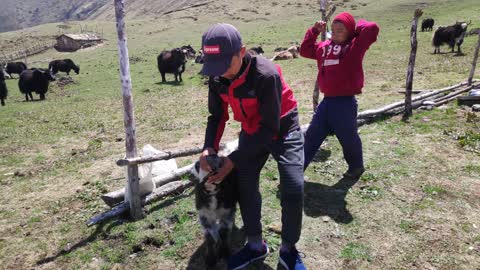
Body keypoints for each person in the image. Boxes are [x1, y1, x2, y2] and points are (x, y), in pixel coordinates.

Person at [199, 23, 307, 270]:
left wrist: (233, 159)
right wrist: (209, 148)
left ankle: (289, 250)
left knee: (293, 186)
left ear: (242, 51)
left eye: (226, 64)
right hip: (251, 130)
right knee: (245, 185)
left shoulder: (265, 75)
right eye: (215, 67)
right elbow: (217, 117)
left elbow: (270, 128)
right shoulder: (217, 78)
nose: (221, 73)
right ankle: (255, 245)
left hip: (282, 127)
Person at [300, 12, 380, 178]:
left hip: (345, 103)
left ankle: (356, 167)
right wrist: (314, 31)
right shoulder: (324, 47)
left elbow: (372, 28)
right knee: (312, 135)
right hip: (327, 102)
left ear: (349, 31)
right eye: (333, 30)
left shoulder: (354, 46)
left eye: (340, 30)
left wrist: (355, 29)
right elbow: (305, 50)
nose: (335, 34)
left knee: (348, 138)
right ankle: (296, 170)